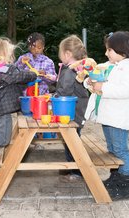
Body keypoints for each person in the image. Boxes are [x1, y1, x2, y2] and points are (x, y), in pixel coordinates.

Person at [84, 31, 129, 200]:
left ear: (121, 50)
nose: (106, 53)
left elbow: (125, 90)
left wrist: (102, 89)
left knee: (121, 151)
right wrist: (89, 81)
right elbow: (94, 75)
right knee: (112, 150)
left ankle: (125, 187)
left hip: (118, 118)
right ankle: (115, 178)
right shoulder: (109, 65)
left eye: (109, 50)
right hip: (108, 117)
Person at [54, 34, 89, 182]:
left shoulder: (70, 70)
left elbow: (65, 91)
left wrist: (53, 97)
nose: (60, 56)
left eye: (60, 53)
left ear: (68, 54)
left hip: (73, 112)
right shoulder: (76, 69)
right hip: (76, 110)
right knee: (71, 140)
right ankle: (73, 168)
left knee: (72, 141)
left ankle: (77, 171)